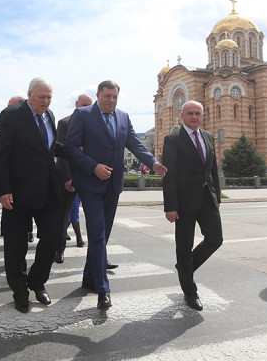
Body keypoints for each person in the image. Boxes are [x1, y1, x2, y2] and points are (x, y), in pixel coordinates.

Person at [63, 80, 167, 310]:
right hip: (90, 185)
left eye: (114, 97)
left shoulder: (123, 117)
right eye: (107, 96)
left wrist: (153, 162)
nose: (111, 100)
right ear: (98, 95)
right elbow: (69, 148)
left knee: (103, 235)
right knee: (98, 235)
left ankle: (89, 277)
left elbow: (134, 144)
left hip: (113, 186)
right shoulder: (82, 115)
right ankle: (103, 290)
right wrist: (93, 167)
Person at [0, 77, 62, 313]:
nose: (46, 101)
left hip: (48, 191)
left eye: (49, 97)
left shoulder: (49, 116)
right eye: (41, 96)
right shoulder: (11, 115)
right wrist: (3, 190)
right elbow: (0, 156)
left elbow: (49, 149)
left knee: (53, 237)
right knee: (16, 246)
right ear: (29, 94)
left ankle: (37, 281)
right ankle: (20, 291)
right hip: (17, 193)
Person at [162, 100, 223, 311]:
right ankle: (190, 290)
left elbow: (212, 168)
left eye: (197, 113)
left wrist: (218, 196)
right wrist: (170, 206)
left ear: (202, 115)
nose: (194, 117)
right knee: (184, 246)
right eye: (190, 113)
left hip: (208, 199)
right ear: (182, 115)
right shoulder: (172, 139)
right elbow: (169, 176)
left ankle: (184, 268)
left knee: (215, 239)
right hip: (184, 202)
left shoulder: (208, 136)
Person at [54, 93, 92, 264]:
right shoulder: (64, 123)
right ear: (76, 104)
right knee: (63, 216)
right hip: (69, 176)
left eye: (89, 105)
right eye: (83, 105)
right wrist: (67, 177)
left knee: (96, 218)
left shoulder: (94, 123)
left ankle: (99, 257)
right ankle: (59, 250)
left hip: (90, 176)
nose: (86, 108)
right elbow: (61, 152)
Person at [0, 95, 26, 237]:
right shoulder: (6, 124)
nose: (7, 109)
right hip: (3, 178)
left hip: (22, 180)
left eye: (11, 106)